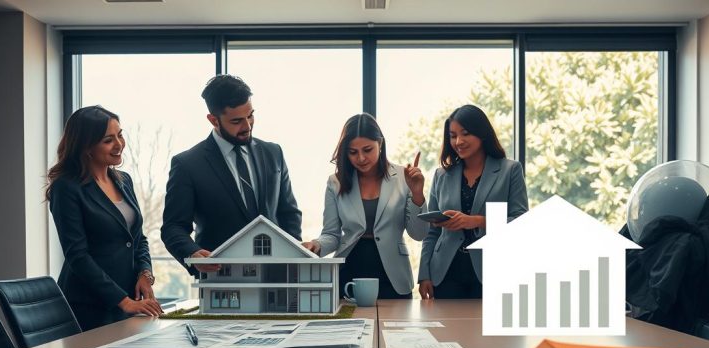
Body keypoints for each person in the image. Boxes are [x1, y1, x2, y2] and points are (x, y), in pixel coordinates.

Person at [162, 74, 302, 275]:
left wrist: (294, 264)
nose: (247, 126)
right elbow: (173, 227)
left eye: (250, 115)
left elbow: (289, 213)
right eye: (236, 121)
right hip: (221, 279)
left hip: (279, 275)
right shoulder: (187, 165)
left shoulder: (273, 153)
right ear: (213, 120)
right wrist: (192, 253)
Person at [47, 105, 164, 331]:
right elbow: (77, 255)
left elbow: (138, 239)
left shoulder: (124, 180)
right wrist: (123, 301)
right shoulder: (67, 187)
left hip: (128, 303)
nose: (119, 144)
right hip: (88, 306)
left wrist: (144, 273)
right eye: (108, 140)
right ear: (86, 146)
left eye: (120, 135)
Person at [303, 113, 429, 299]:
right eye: (353, 152)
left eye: (367, 150)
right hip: (350, 269)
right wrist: (316, 245)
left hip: (393, 274)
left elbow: (418, 234)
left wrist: (417, 194)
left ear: (380, 144)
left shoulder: (405, 177)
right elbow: (331, 234)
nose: (361, 158)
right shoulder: (335, 182)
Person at [418, 104, 528, 299]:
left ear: (482, 133)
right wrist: (424, 274)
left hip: (493, 272)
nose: (458, 141)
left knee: (490, 330)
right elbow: (431, 232)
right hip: (445, 272)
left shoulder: (510, 170)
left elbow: (520, 221)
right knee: (447, 330)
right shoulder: (442, 175)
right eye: (452, 136)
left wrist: (477, 221)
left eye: (465, 133)